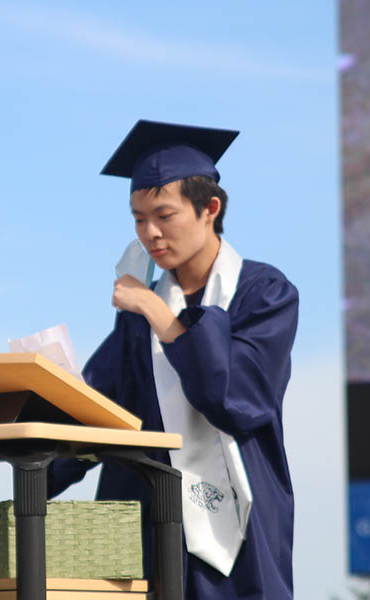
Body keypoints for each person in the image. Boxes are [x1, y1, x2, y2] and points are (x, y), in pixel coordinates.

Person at [48, 120, 299, 599]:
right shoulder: (139, 317)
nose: (150, 233)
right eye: (138, 219)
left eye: (163, 215)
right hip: (146, 520)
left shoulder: (263, 294)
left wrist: (158, 313)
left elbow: (231, 398)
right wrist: (34, 451)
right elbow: (101, 403)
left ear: (210, 208)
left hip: (238, 527)